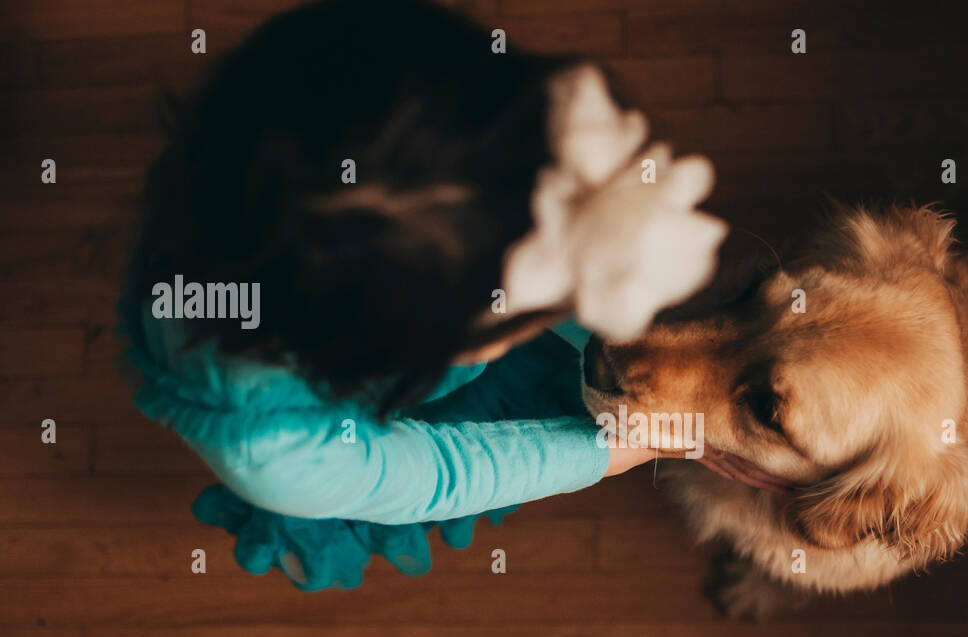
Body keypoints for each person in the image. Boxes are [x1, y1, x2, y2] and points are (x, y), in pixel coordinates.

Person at [117, 0, 725, 589]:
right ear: (400, 358)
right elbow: (442, 474)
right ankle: (302, 539)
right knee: (334, 512)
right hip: (334, 454)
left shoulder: (237, 169)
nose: (561, 312)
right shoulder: (280, 456)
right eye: (518, 318)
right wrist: (617, 445)